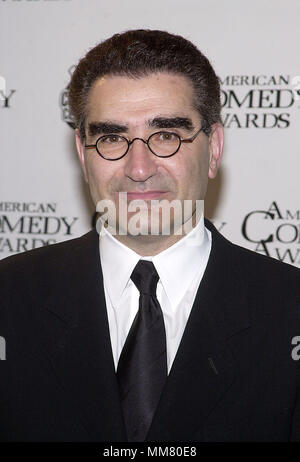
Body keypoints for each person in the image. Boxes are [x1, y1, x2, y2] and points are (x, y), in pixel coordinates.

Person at [0, 29, 300, 443]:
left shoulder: (290, 308)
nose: (139, 168)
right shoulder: (9, 298)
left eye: (166, 136)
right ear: (82, 155)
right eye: (111, 138)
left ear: (213, 148)